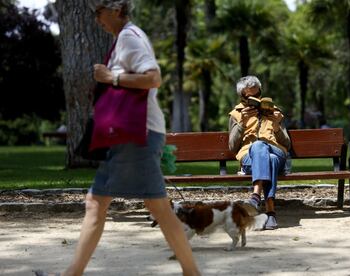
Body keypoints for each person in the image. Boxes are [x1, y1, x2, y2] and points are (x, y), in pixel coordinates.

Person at [34, 1, 200, 275]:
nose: (96, 18)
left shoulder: (130, 38)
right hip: (131, 136)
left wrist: (112, 77)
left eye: (98, 11)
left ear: (115, 9)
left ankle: (192, 273)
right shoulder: (125, 38)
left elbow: (153, 78)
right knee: (106, 204)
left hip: (137, 136)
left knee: (147, 206)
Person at [228, 76, 291, 230]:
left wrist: (276, 125)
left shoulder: (274, 111)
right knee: (268, 158)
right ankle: (271, 213)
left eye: (258, 94)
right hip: (250, 158)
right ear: (242, 96)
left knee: (260, 145)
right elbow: (232, 146)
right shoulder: (236, 114)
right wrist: (242, 123)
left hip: (277, 150)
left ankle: (255, 197)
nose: (256, 98)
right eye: (251, 97)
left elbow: (287, 144)